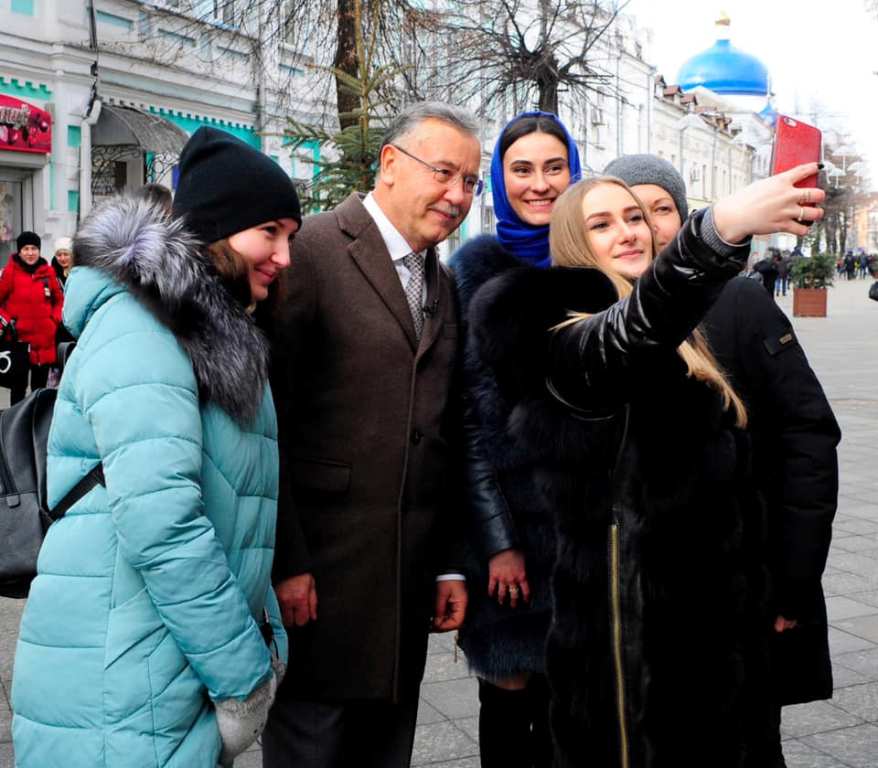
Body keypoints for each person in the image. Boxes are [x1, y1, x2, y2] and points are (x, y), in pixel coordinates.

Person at [464, 164, 825, 768]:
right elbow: (628, 335)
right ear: (575, 244)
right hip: (634, 655)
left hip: (709, 635)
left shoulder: (677, 337)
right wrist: (722, 228)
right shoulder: (561, 338)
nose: (628, 232)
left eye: (634, 217)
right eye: (602, 225)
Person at [11, 127, 299, 768]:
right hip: (118, 680)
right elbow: (161, 520)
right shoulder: (143, 328)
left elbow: (237, 510)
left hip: (161, 662)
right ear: (221, 230)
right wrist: (243, 673)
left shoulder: (212, 333)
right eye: (270, 232)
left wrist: (261, 643)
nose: (284, 256)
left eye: (291, 237)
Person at [605, 153, 840, 768]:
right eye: (627, 212)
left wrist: (792, 577)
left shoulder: (736, 303)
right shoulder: (598, 326)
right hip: (637, 609)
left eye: (660, 210)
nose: (644, 227)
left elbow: (807, 436)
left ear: (685, 222)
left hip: (739, 595)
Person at [262, 101, 476, 768]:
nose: (458, 194)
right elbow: (269, 423)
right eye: (445, 172)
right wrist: (286, 562)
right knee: (311, 747)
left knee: (387, 750)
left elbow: (439, 434)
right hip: (319, 583)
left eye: (471, 181)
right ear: (390, 163)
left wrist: (446, 562)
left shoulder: (441, 280)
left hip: (404, 592)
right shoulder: (312, 253)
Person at [449, 111, 581, 768]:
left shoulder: (594, 259)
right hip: (510, 539)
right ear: (500, 180)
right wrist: (499, 545)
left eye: (554, 167)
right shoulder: (474, 266)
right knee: (510, 699)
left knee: (576, 710)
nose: (540, 184)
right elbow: (468, 420)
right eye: (521, 169)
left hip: (588, 533)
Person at [0, 231, 63, 403]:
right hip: (19, 342)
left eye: (34, 248)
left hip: (44, 342)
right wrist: (7, 320)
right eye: (26, 249)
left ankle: (36, 425)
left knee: (40, 391)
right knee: (18, 390)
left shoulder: (48, 272)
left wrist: (53, 320)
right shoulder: (10, 272)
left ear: (39, 250)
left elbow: (60, 301)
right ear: (19, 251)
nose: (30, 252)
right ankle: (15, 424)